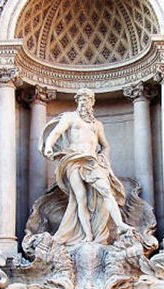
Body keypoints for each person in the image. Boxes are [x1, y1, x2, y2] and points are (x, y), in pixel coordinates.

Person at [40, 88, 133, 245]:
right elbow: (56, 133)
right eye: (82, 100)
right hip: (73, 160)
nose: (84, 103)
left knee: (106, 191)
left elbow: (105, 145)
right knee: (80, 198)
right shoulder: (70, 118)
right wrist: (48, 146)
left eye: (87, 100)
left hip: (92, 161)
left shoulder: (96, 125)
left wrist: (103, 158)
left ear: (92, 103)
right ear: (78, 102)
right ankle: (88, 236)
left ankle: (120, 225)